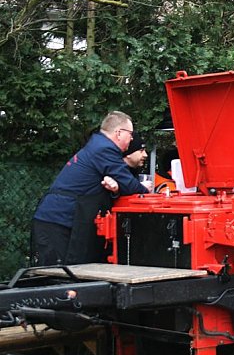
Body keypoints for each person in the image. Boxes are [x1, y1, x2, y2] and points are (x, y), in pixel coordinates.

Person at [31, 111, 149, 266]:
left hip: (57, 220)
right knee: (56, 275)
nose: (132, 138)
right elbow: (130, 185)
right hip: (58, 222)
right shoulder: (104, 149)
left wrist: (115, 190)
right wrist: (146, 191)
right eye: (130, 134)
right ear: (119, 133)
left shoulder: (97, 146)